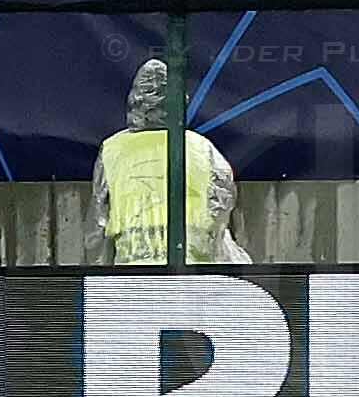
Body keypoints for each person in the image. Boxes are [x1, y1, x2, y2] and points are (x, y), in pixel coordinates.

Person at [92, 55, 249, 265]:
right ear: (178, 101)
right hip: (192, 269)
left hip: (132, 270)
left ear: (134, 100)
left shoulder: (112, 149)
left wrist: (102, 270)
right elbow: (222, 210)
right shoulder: (201, 148)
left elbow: (100, 220)